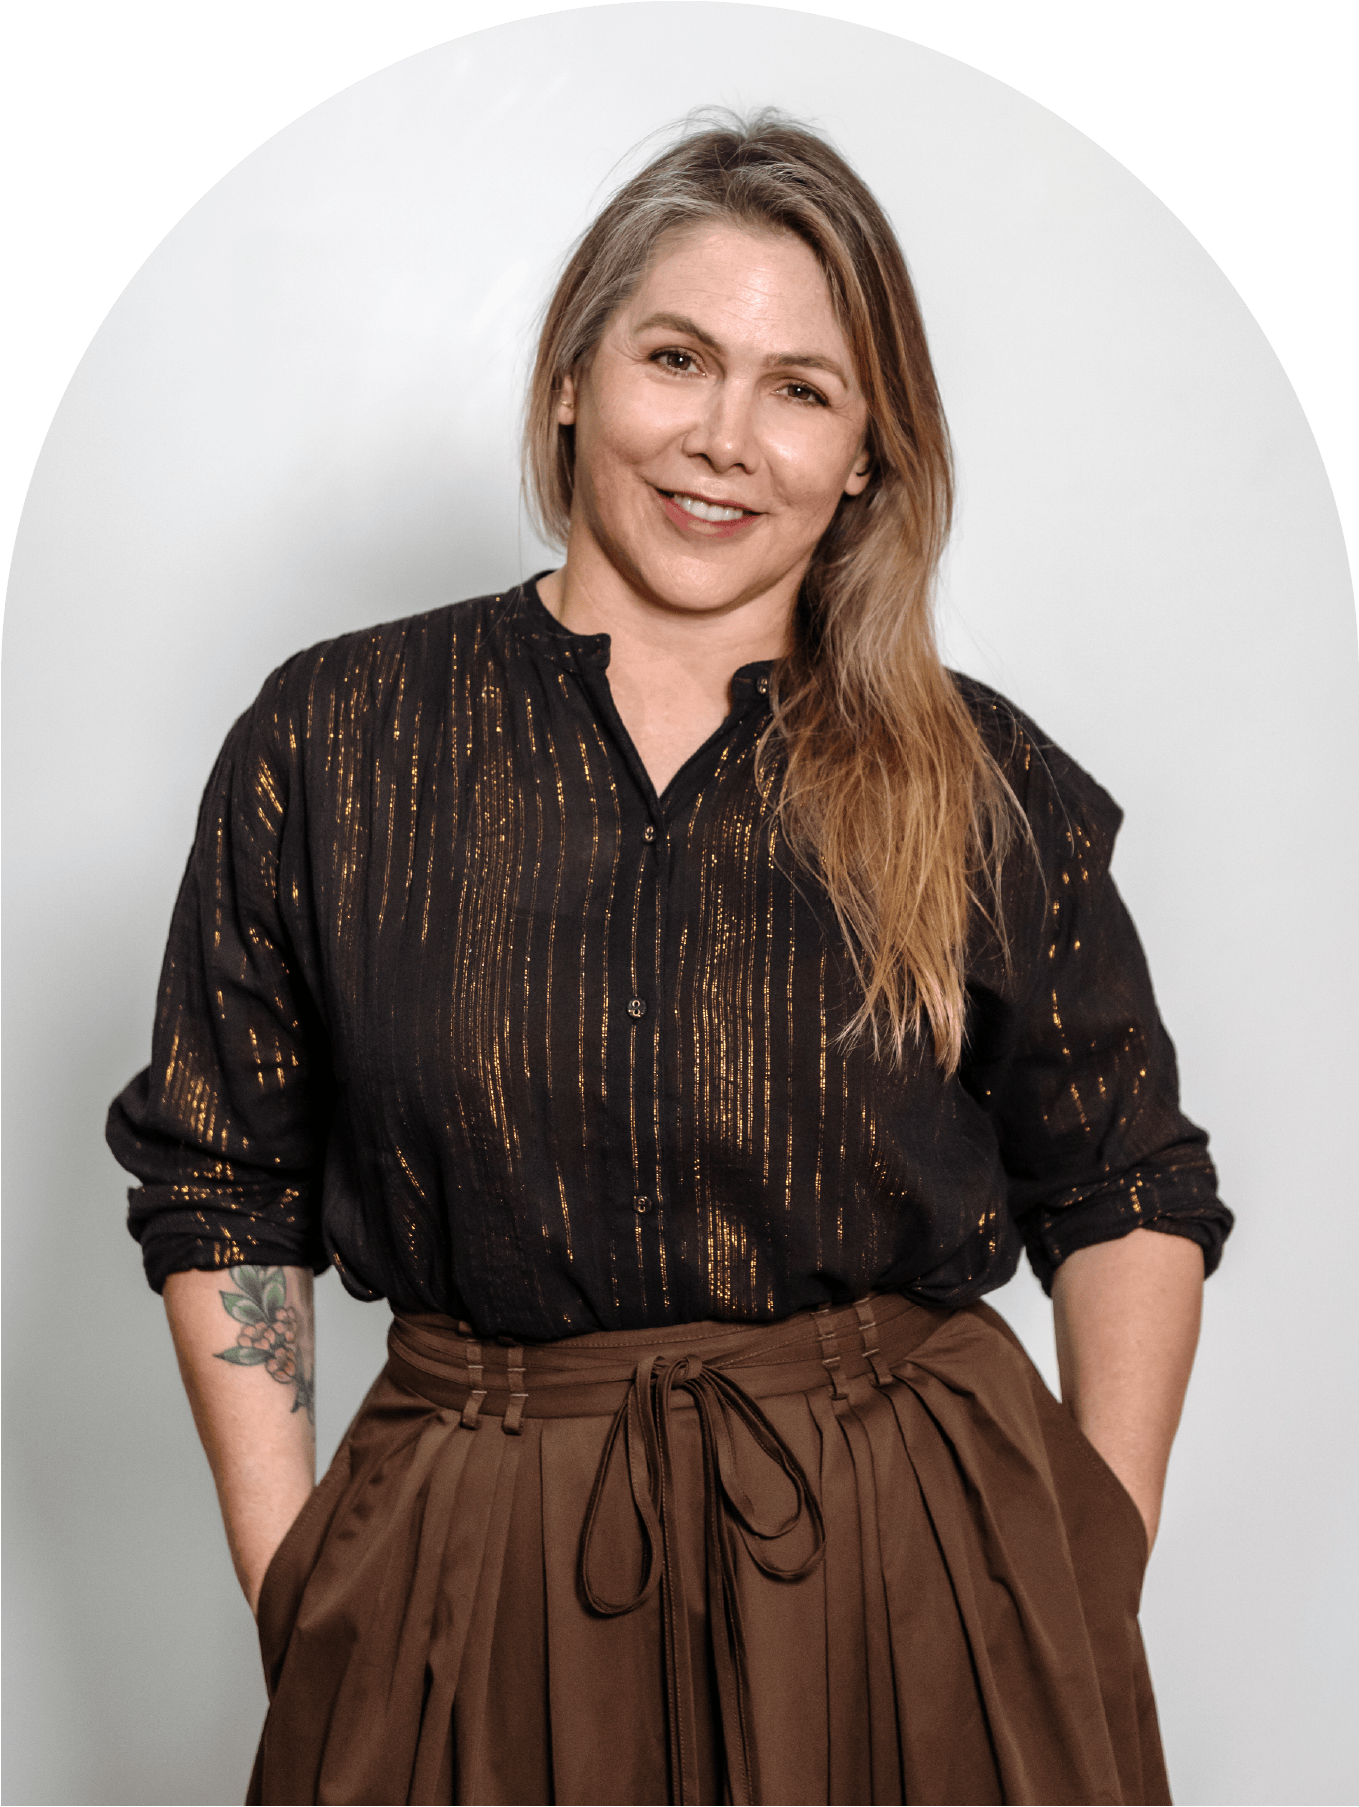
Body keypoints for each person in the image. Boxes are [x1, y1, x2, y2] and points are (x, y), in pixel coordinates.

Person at [106, 112, 1232, 1807]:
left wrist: (1081, 1570)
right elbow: (221, 1182)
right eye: (677, 357)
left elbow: (1125, 1179)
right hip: (473, 1551)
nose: (723, 439)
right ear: (572, 376)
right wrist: (301, 1588)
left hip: (912, 1565)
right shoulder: (336, 736)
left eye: (801, 389)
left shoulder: (975, 776)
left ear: (865, 456)